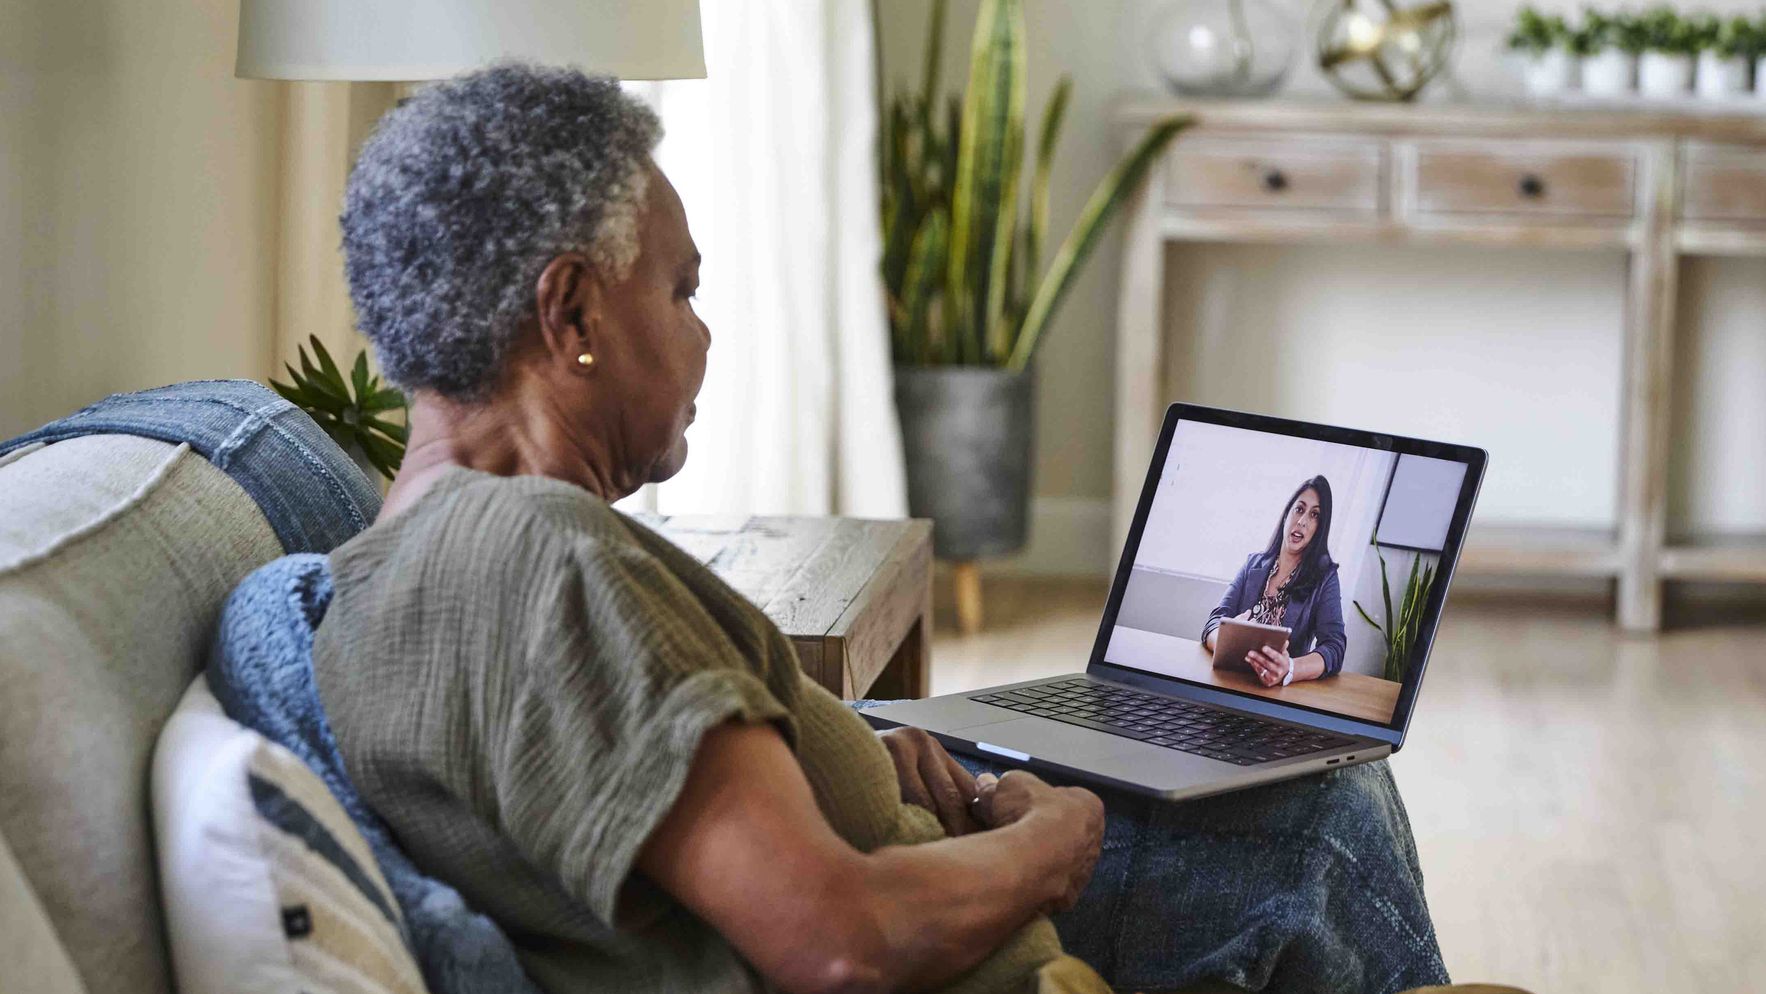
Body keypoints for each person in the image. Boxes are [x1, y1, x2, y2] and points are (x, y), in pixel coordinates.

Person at [316, 64, 1448, 994]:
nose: (703, 338)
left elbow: (620, 772)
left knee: (1294, 778)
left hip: (934, 853)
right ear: (571, 314)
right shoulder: (535, 559)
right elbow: (838, 940)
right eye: (681, 290)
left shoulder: (396, 558)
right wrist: (1052, 840)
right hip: (992, 959)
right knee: (1319, 805)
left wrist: (844, 742)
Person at [1203, 476, 1348, 688]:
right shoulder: (1253, 564)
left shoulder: (1325, 577)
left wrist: (1290, 668)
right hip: (1229, 682)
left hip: (1277, 693)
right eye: (1299, 509)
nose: (1302, 521)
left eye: (1314, 515)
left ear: (1320, 528)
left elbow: (1335, 647)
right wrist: (1228, 640)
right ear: (1286, 515)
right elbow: (1214, 621)